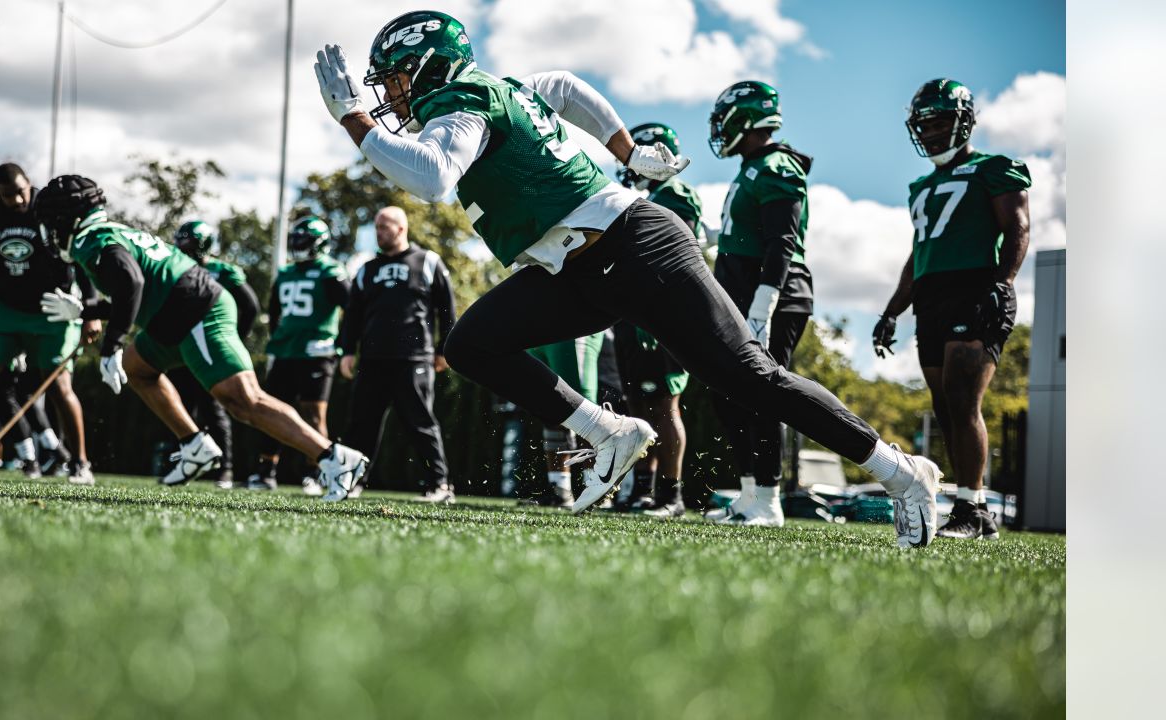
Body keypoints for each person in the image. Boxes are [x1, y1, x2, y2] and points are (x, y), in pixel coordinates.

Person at [314, 10, 941, 548]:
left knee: (749, 376)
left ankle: (901, 470)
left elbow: (430, 177)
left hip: (634, 245)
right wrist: (624, 149)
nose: (389, 96)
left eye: (394, 78)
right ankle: (606, 432)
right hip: (574, 268)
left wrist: (351, 117)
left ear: (430, 67)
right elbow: (560, 85)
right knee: (471, 343)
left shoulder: (465, 102)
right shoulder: (500, 90)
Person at [33, 175, 369, 499]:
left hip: (197, 311)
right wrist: (85, 311)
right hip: (174, 312)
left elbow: (130, 284)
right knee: (138, 368)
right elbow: (135, 291)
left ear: (66, 218)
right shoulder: (110, 232)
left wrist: (111, 345)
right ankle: (193, 443)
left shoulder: (90, 241)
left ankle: (336, 459)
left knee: (244, 401)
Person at [874, 79, 1031, 541]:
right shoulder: (921, 185)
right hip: (932, 296)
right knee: (945, 406)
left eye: (941, 121)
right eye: (924, 125)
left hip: (976, 285)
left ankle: (975, 509)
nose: (932, 133)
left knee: (965, 400)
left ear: (964, 121)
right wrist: (890, 312)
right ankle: (966, 503)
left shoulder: (995, 167)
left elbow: (1018, 228)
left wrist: (1003, 283)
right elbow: (917, 254)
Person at [698, 82, 814, 528]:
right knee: (727, 394)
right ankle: (750, 495)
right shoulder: (751, 167)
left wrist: (762, 308)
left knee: (763, 395)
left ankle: (768, 499)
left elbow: (783, 242)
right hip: (743, 293)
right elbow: (742, 231)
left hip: (774, 295)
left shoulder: (777, 165)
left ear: (744, 119)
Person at [0, 162, 98, 484]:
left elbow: (80, 259)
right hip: (6, 309)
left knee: (61, 386)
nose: (18, 201)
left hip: (53, 309)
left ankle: (79, 462)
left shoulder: (49, 209)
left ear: (29, 184)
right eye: (9, 196)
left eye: (21, 192)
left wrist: (89, 313)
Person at [337, 206, 457, 503]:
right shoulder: (367, 269)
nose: (379, 233)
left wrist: (444, 350)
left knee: (420, 423)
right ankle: (351, 481)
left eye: (384, 227)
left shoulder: (427, 261)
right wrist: (348, 350)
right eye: (376, 227)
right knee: (360, 424)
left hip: (414, 358)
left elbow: (447, 309)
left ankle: (439, 485)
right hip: (372, 360)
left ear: (401, 228)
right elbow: (353, 314)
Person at [612, 122, 701, 518]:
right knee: (636, 408)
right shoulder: (644, 197)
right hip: (634, 313)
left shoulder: (675, 195)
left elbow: (672, 259)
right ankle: (643, 492)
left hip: (663, 312)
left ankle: (671, 496)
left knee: (664, 406)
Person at [248, 215, 351, 494]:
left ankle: (315, 473)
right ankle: (265, 470)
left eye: (303, 241)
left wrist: (338, 344)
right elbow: (276, 311)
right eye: (296, 240)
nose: (298, 246)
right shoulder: (286, 272)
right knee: (272, 410)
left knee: (314, 413)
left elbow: (352, 310)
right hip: (285, 350)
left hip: (317, 352)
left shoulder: (331, 271)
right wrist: (279, 338)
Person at [169, 220, 262, 489]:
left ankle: (225, 470)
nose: (181, 246)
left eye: (187, 241)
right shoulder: (177, 268)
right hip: (183, 348)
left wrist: (234, 338)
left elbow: (251, 306)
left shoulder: (222, 271)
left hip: (210, 347)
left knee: (213, 409)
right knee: (179, 405)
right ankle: (185, 462)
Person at [525, 332, 606, 508]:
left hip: (573, 327)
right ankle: (560, 490)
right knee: (550, 406)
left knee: (584, 408)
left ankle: (597, 488)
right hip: (536, 325)